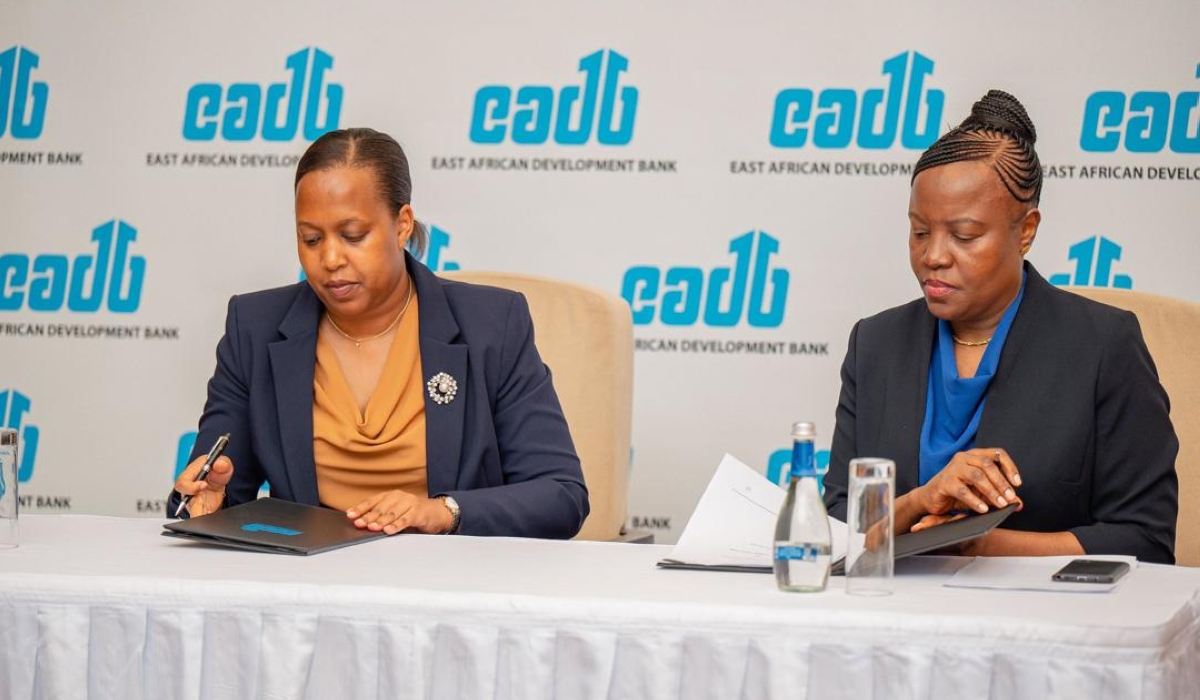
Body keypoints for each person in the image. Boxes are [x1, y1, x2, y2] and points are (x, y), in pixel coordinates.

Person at [168, 127, 589, 539]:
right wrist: (208, 502)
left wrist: (442, 512)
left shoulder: (492, 324)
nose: (330, 259)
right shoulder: (255, 327)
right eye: (311, 239)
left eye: (353, 236)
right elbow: (209, 489)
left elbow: (560, 495)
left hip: (451, 579)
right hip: (309, 581)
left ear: (402, 223)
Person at [823, 90, 1178, 564]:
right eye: (920, 231)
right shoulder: (876, 343)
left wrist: (984, 545)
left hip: (1044, 624)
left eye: (965, 235)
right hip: (896, 615)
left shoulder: (1101, 345)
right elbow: (838, 519)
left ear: (1026, 231)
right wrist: (918, 502)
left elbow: (1146, 540)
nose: (933, 256)